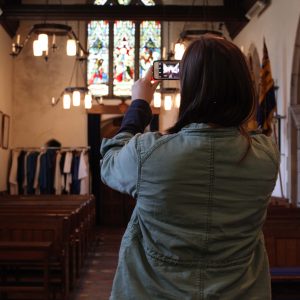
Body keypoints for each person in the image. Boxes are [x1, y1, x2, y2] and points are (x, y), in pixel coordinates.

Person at [100, 35, 279, 300]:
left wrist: (139, 106)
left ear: (189, 89)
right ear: (243, 87)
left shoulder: (149, 154)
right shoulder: (265, 156)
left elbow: (109, 162)